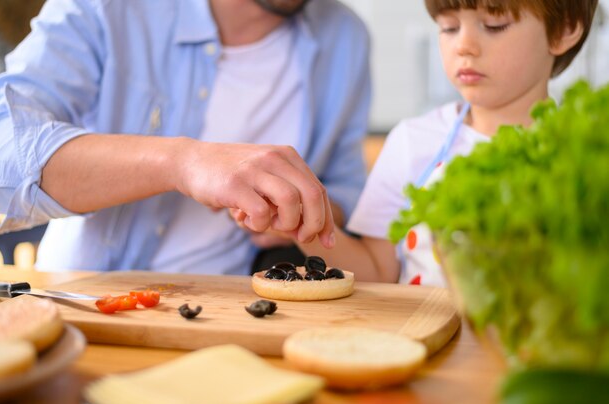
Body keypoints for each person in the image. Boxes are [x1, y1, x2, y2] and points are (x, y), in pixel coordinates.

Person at [0, 0, 371, 274]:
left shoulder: (345, 37)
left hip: (236, 318)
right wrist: (184, 162)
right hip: (88, 301)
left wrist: (299, 207)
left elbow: (345, 194)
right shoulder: (107, 9)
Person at [235, 0, 597, 285]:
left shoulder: (588, 149)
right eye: (449, 28)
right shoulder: (414, 141)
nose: (465, 46)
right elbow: (378, 272)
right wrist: (299, 222)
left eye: (494, 24)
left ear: (564, 30)